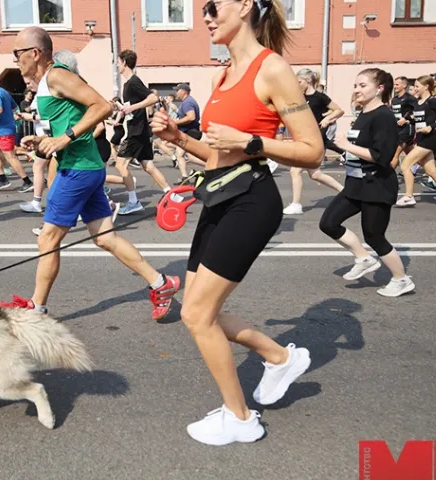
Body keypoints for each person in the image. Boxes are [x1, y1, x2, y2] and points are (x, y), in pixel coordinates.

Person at [150, 0, 321, 446]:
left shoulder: (273, 69)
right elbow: (217, 156)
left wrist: (252, 140)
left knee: (196, 313)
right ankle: (279, 357)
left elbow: (313, 151)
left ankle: (241, 418)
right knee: (200, 307)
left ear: (244, 6)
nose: (205, 16)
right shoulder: (221, 76)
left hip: (252, 200)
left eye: (212, 6)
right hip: (220, 195)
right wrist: (178, 138)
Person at [0, 26, 180, 322]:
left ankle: (37, 308)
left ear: (35, 53)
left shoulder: (57, 74)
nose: (15, 58)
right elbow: (67, 120)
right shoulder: (48, 81)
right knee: (105, 238)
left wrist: (65, 138)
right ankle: (162, 284)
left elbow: (103, 106)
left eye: (17, 53)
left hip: (77, 170)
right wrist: (43, 141)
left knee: (47, 239)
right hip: (87, 167)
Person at [319, 69, 415, 297]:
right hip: (356, 183)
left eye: (362, 85)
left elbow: (382, 156)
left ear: (379, 88)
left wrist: (347, 146)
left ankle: (401, 279)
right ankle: (363, 258)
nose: (356, 90)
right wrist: (347, 154)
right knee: (329, 223)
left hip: (377, 185)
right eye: (355, 85)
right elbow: (360, 149)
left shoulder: (383, 116)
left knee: (374, 235)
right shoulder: (364, 114)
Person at [115, 49, 172, 215]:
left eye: (118, 62)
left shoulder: (133, 82)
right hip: (139, 130)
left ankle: (133, 201)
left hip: (136, 132)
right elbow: (128, 108)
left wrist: (132, 107)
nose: (117, 65)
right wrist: (118, 119)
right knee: (148, 165)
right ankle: (171, 194)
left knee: (120, 164)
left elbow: (153, 98)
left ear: (124, 62)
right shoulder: (127, 84)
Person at [283, 68, 345, 215]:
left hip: (315, 139)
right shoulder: (300, 97)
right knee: (315, 175)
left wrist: (326, 118)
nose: (297, 85)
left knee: (295, 170)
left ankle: (296, 204)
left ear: (308, 80)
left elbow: (339, 110)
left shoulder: (320, 97)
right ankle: (345, 192)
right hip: (303, 138)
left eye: (299, 82)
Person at [395, 76, 436, 208]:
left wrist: (432, 127)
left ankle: (408, 196)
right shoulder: (417, 103)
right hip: (420, 138)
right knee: (431, 170)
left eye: (417, 86)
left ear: (426, 87)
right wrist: (409, 120)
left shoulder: (432, 101)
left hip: (430, 139)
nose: (415, 89)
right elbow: (418, 120)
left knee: (405, 166)